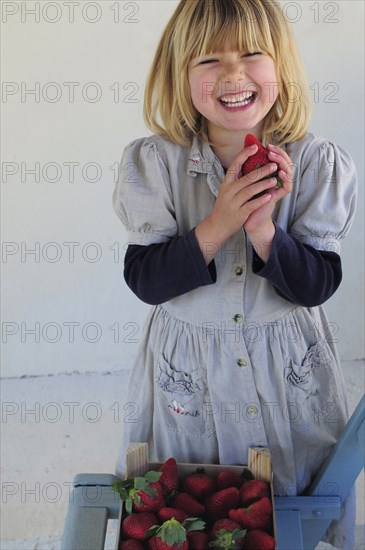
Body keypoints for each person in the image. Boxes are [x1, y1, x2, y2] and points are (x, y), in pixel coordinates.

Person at [113, 1, 357, 547]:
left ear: (281, 67)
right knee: (196, 507)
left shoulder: (317, 163)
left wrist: (266, 229)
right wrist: (219, 224)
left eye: (252, 53)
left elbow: (317, 285)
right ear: (179, 72)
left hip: (287, 371)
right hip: (190, 373)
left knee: (293, 497)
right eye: (209, 59)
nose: (233, 74)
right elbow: (147, 282)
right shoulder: (156, 163)